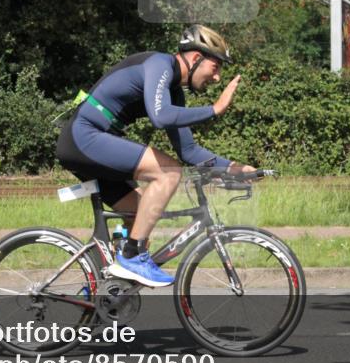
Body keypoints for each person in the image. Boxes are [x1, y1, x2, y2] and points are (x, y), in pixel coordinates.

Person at [56, 24, 256, 287]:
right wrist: (214, 109)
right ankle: (132, 258)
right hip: (84, 136)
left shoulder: (174, 92)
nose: (217, 78)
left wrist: (233, 168)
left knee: (142, 214)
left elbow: (189, 150)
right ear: (196, 58)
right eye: (216, 67)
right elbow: (160, 116)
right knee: (169, 172)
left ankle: (101, 293)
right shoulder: (159, 64)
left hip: (92, 142)